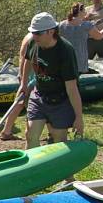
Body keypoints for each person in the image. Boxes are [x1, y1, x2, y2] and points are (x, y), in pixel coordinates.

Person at [22, 12, 83, 148]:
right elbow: (27, 61)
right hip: (39, 95)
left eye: (38, 33)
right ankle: (32, 168)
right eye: (33, 32)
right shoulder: (33, 42)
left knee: (59, 140)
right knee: (30, 135)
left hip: (60, 100)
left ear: (51, 31)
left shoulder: (65, 51)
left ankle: (59, 168)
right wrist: (23, 84)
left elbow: (72, 88)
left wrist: (79, 117)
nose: (34, 36)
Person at [0, 33, 32, 141]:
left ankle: (6, 131)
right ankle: (7, 131)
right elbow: (24, 59)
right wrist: (23, 78)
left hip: (27, 75)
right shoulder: (32, 39)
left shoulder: (28, 37)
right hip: (30, 76)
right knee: (24, 103)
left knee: (20, 103)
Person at [59, 2, 103, 73]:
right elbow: (99, 36)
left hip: (65, 62)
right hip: (80, 64)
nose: (86, 12)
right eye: (84, 11)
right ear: (80, 11)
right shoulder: (86, 25)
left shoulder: (61, 25)